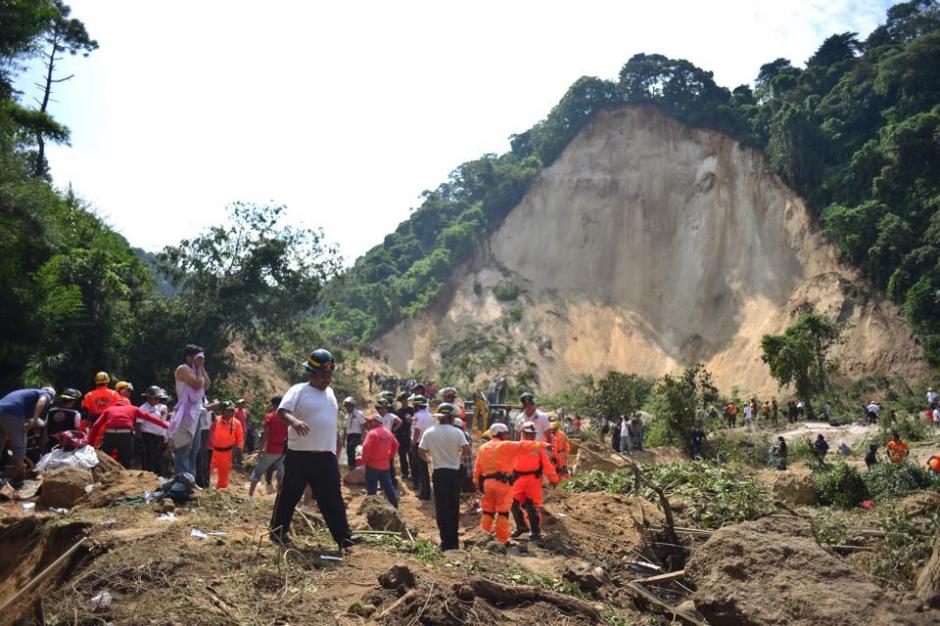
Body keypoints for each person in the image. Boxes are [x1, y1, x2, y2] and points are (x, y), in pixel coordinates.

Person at [270, 348, 359, 550]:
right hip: (300, 455)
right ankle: (277, 532)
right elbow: (282, 411)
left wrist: (336, 442)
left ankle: (343, 538)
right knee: (289, 495)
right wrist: (295, 422)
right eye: (322, 375)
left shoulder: (330, 394)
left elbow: (329, 420)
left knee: (332, 498)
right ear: (311, 373)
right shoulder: (298, 390)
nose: (326, 379)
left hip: (325, 456)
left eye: (329, 375)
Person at [473, 423, 540, 546]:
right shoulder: (505, 445)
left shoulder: (483, 448)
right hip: (503, 484)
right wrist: (544, 444)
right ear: (501, 434)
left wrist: (476, 484)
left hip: (487, 484)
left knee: (488, 512)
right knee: (503, 512)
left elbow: (477, 468)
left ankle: (483, 537)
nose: (508, 435)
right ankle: (502, 539)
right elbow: (523, 445)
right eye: (506, 433)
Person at [418, 402, 470, 551]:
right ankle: (454, 541)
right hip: (454, 473)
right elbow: (467, 450)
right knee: (453, 506)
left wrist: (430, 460)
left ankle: (445, 541)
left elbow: (421, 451)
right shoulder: (457, 432)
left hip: (439, 472)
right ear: (451, 418)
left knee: (441, 508)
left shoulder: (429, 432)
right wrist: (457, 458)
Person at [89, 392, 168, 468]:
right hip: (125, 435)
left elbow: (96, 425)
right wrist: (165, 425)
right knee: (126, 461)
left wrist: (90, 443)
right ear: (128, 403)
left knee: (104, 459)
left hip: (109, 435)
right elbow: (150, 418)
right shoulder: (134, 408)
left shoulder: (109, 409)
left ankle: (101, 475)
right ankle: (126, 477)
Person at [510, 421, 559, 541]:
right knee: (513, 503)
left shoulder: (539, 449)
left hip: (533, 480)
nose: (530, 436)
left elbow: (547, 465)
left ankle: (535, 532)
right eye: (527, 434)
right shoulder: (517, 447)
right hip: (518, 480)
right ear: (523, 434)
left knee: (532, 506)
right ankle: (521, 527)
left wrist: (553, 479)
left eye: (532, 434)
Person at [168, 345, 210, 478]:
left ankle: (190, 480)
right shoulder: (183, 369)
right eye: (198, 358)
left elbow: (207, 385)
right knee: (184, 448)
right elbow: (198, 384)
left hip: (197, 412)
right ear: (189, 357)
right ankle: (181, 479)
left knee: (194, 449)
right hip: (186, 413)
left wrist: (201, 368)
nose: (200, 360)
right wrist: (198, 368)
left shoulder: (196, 370)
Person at [0, 387, 55, 487]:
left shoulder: (27, 395)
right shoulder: (45, 393)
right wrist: (35, 419)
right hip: (13, 411)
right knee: (19, 445)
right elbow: (42, 401)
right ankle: (18, 478)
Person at [248, 395, 288, 499]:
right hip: (283, 450)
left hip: (272, 449)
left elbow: (266, 435)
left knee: (257, 471)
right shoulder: (287, 417)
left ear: (273, 404)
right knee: (281, 474)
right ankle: (280, 498)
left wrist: (260, 451)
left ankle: (250, 496)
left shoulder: (270, 416)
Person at [361, 414, 399, 507]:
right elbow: (396, 445)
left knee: (372, 487)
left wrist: (364, 461)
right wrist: (390, 456)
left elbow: (366, 447)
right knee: (388, 486)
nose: (368, 423)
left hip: (372, 465)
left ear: (376, 422)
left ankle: (371, 507)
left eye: (370, 421)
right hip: (384, 465)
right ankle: (394, 505)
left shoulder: (372, 433)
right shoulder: (388, 432)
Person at [208, 401, 244, 490]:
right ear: (222, 411)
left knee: (224, 475)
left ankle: (221, 490)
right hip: (213, 451)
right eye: (228, 411)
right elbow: (208, 434)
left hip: (227, 453)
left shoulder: (236, 423)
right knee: (207, 471)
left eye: (232, 411)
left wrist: (239, 448)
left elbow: (240, 437)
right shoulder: (215, 420)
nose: (231, 413)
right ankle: (205, 488)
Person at [139, 386, 169, 475]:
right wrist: (139, 437)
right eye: (156, 398)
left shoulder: (156, 408)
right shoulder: (143, 408)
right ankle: (148, 476)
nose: (158, 400)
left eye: (158, 398)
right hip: (147, 436)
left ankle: (156, 476)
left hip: (157, 437)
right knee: (149, 458)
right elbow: (138, 424)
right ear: (149, 397)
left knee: (157, 458)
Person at [410, 394, 433, 500]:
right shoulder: (429, 415)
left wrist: (413, 443)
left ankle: (425, 492)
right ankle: (426, 491)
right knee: (425, 469)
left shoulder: (418, 416)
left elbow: (417, 431)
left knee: (421, 469)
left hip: (419, 444)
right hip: (427, 443)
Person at [342, 397, 365, 470]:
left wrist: (363, 436)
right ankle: (351, 469)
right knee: (349, 453)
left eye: (349, 405)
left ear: (353, 405)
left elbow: (362, 425)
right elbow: (345, 428)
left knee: (354, 452)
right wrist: (343, 439)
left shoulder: (359, 414)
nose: (347, 407)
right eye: (346, 406)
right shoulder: (347, 416)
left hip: (357, 435)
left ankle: (357, 469)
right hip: (349, 436)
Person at [394, 391, 414, 480]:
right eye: (403, 400)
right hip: (400, 436)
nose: (405, 401)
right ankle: (405, 473)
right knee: (402, 455)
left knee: (411, 456)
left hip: (410, 435)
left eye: (406, 400)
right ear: (401, 401)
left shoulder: (412, 410)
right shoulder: (398, 412)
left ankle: (413, 474)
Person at [233, 399, 249, 467]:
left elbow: (246, 421)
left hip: (244, 431)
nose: (242, 405)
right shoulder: (235, 411)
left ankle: (239, 461)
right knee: (235, 446)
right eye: (240, 403)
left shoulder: (245, 411)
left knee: (241, 447)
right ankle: (233, 461)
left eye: (243, 403)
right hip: (237, 431)